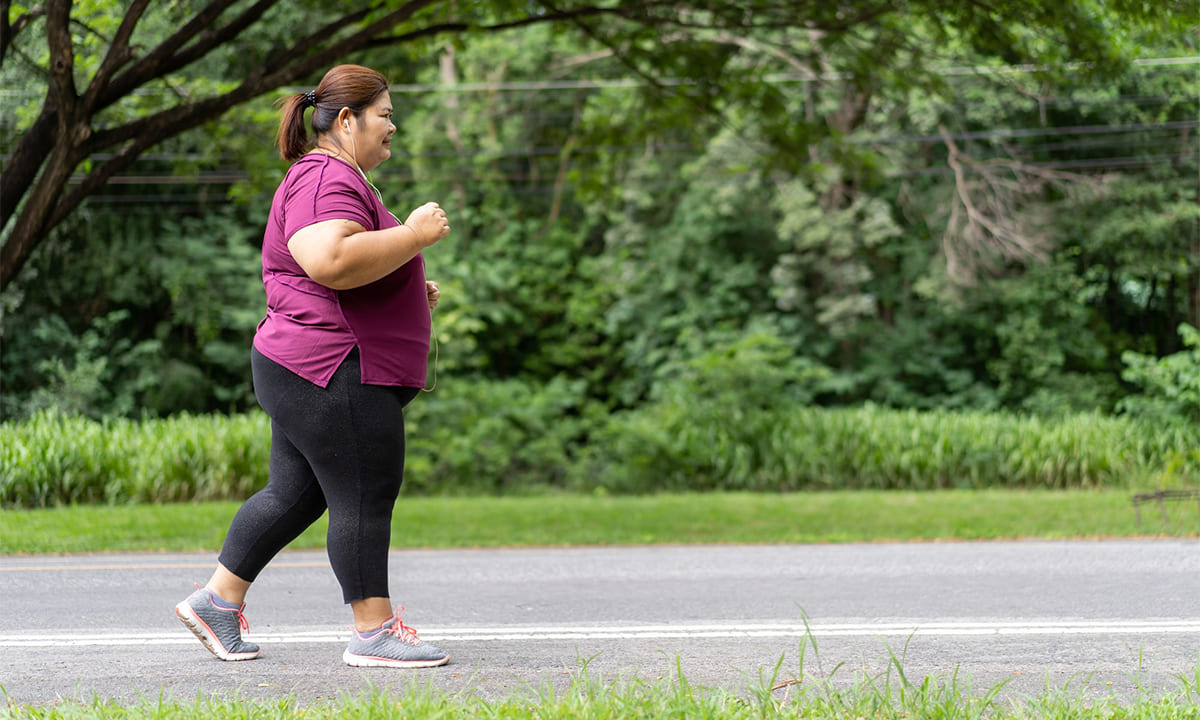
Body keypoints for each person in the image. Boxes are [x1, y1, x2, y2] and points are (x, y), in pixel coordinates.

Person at [174, 64, 451, 669]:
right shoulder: (326, 177)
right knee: (364, 491)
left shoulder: (334, 177)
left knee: (294, 495)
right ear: (347, 120)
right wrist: (413, 236)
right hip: (331, 367)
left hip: (306, 362)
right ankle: (373, 631)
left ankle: (219, 600)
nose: (393, 127)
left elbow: (345, 266)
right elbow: (328, 258)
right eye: (385, 114)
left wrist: (406, 289)